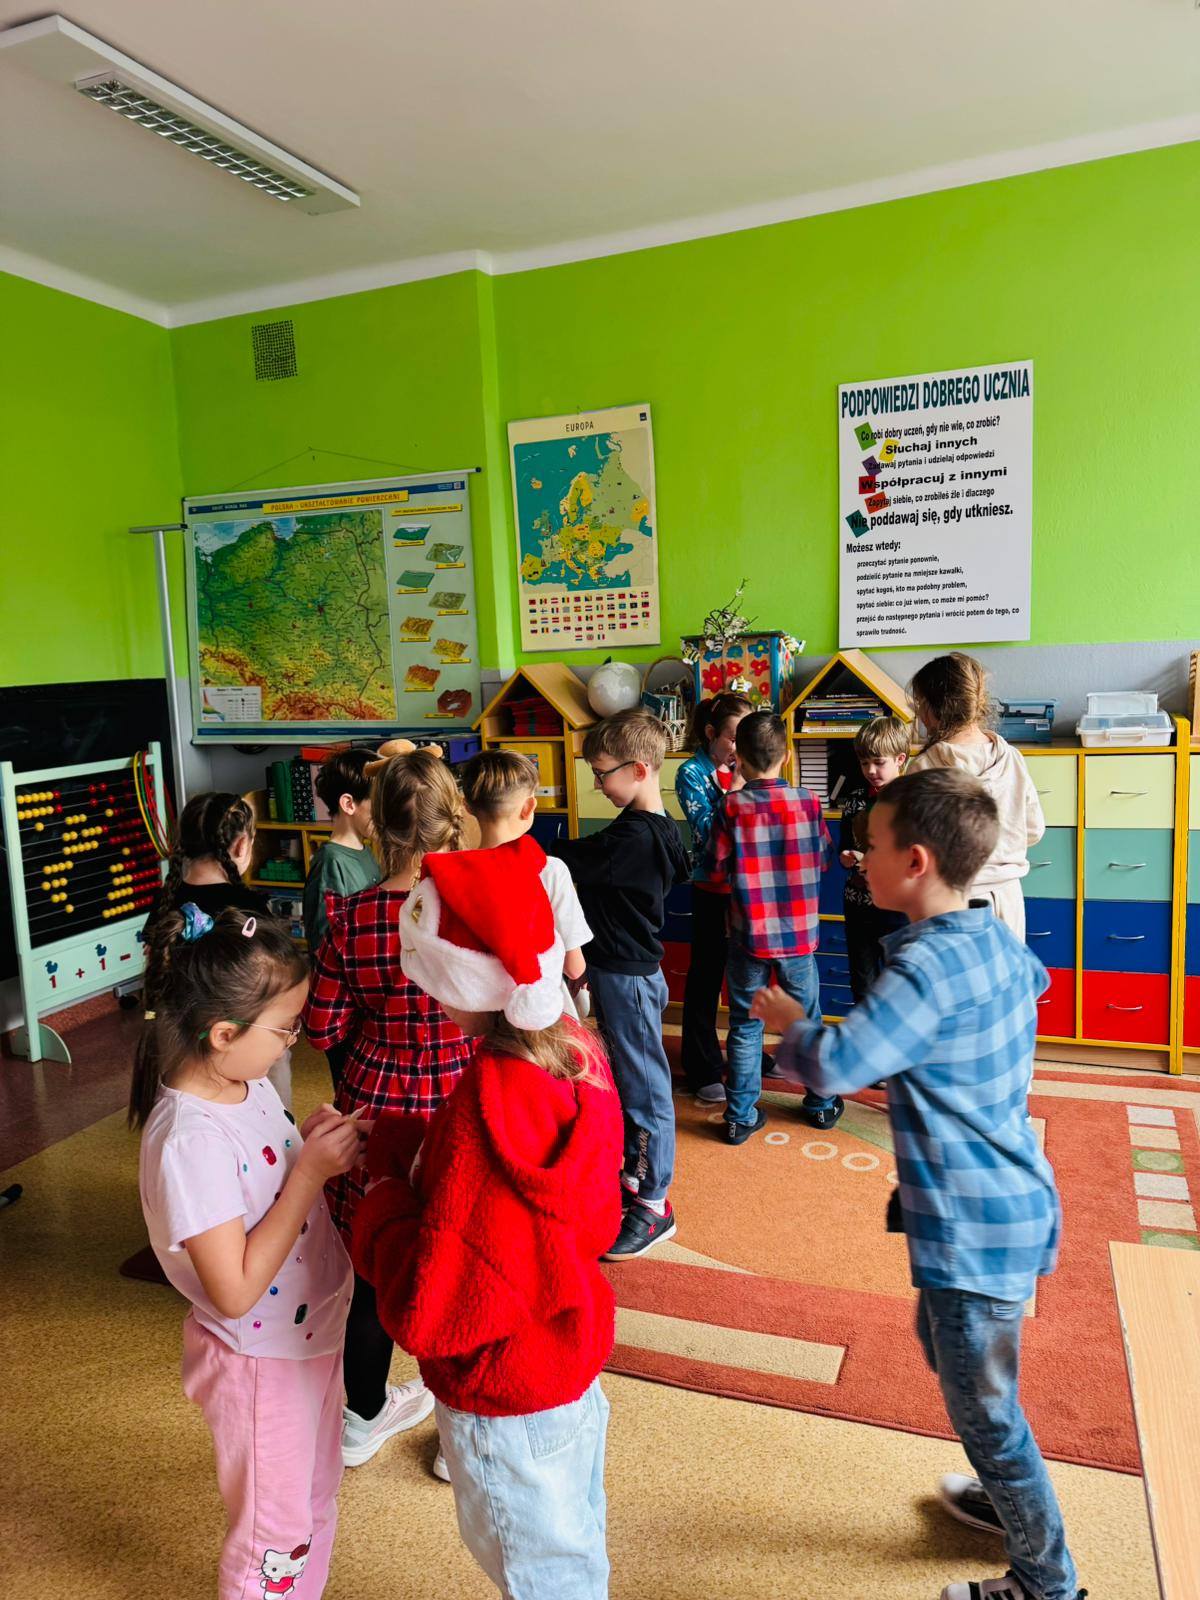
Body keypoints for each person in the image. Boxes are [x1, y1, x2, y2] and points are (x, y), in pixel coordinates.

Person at [752, 768, 1083, 1600]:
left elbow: (839, 1065)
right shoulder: (990, 940)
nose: (858, 857)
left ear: (917, 861)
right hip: (1003, 1202)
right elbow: (1027, 991)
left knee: (986, 1408)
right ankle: (1007, 1496)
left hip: (973, 1223)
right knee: (950, 1353)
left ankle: (1047, 1582)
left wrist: (793, 1024)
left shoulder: (924, 969)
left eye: (871, 844)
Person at [355, 837, 622, 1600]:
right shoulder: (570, 1054)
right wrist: (406, 1140)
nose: (430, 1000)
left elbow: (437, 1306)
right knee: (574, 1551)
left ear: (465, 981)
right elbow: (539, 1216)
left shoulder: (484, 1110)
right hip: (566, 1358)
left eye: (432, 979)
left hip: (502, 1393)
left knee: (542, 1579)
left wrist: (383, 1192)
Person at [130, 904, 365, 1600]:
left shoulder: (245, 1082)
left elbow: (266, 1187)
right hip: (260, 1362)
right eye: (286, 1028)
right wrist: (308, 1175)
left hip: (309, 1339)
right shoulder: (190, 1141)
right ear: (224, 1033)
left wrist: (308, 1147)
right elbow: (232, 1291)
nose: (294, 1042)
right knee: (274, 1540)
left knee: (312, 1502)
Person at [301, 748, 473, 1475]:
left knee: (374, 1268)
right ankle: (464, 1439)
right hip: (461, 1098)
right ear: (451, 818)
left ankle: (362, 1416)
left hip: (375, 1104)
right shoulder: (471, 908)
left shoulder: (353, 916)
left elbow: (321, 1028)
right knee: (460, 1265)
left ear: (379, 826)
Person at [547, 709, 689, 1261]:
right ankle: (636, 1175)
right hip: (623, 974)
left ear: (638, 769)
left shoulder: (632, 838)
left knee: (645, 1088)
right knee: (627, 1082)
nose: (598, 783)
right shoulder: (653, 826)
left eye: (602, 773)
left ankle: (655, 1205)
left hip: (628, 979)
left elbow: (566, 858)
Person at [705, 710, 838, 1141]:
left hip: (748, 936)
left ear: (739, 759)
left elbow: (713, 870)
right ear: (788, 755)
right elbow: (824, 858)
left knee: (745, 1025)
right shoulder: (809, 802)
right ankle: (820, 1103)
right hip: (799, 937)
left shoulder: (730, 807)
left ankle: (740, 1116)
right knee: (807, 1020)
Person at [144, 791, 292, 1106]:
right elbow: (271, 975)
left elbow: (153, 961)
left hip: (178, 1031)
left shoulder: (166, 899)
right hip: (244, 1030)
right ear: (242, 845)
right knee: (266, 1103)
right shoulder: (249, 906)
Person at [906, 652, 1045, 938]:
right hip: (1008, 900)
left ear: (934, 707)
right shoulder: (1011, 758)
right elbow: (1034, 830)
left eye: (920, 705)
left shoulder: (925, 766)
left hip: (950, 902)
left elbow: (911, 844)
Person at [460, 748, 591, 1017]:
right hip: (540, 1012)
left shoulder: (456, 871)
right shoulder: (550, 870)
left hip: (477, 1009)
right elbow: (574, 967)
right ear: (530, 806)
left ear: (467, 806)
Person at [674, 690, 754, 1101]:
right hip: (711, 889)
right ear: (711, 734)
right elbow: (709, 833)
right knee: (706, 975)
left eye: (747, 739)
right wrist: (736, 789)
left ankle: (746, 1054)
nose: (740, 748)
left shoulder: (750, 766)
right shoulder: (691, 772)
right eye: (734, 739)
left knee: (747, 975)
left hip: (748, 888)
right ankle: (701, 1063)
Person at [303, 747, 381, 1091]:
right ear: (349, 804)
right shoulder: (331, 862)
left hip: (365, 1003)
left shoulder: (365, 852)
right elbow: (325, 943)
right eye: (376, 804)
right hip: (345, 1010)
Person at [840, 715, 910, 1002]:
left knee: (900, 987)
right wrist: (846, 856)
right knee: (863, 985)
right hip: (859, 907)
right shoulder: (854, 800)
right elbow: (845, 844)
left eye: (879, 762)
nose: (870, 770)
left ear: (900, 759)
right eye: (864, 763)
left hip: (898, 910)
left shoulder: (911, 801)